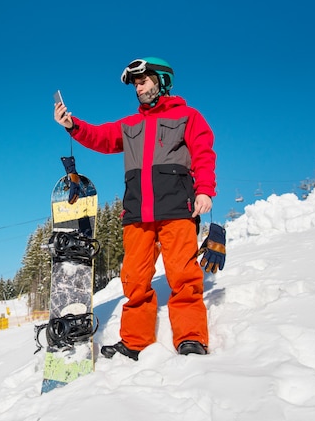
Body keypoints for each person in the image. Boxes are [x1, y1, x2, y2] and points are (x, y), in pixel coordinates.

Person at [53, 57, 217, 359]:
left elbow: (204, 154)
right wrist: (73, 126)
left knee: (183, 277)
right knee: (135, 280)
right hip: (137, 215)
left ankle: (191, 338)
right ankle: (135, 341)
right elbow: (101, 137)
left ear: (162, 81)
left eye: (143, 81)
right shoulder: (130, 126)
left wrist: (205, 190)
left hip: (177, 210)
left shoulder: (188, 117)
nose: (139, 88)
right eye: (136, 84)